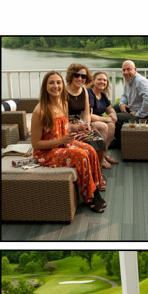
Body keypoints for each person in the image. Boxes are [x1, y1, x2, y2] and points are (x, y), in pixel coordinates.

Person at [31, 71, 106, 214]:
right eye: (51, 83)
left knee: (90, 150)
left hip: (63, 144)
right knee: (80, 155)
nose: (55, 86)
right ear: (45, 86)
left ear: (62, 85)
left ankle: (96, 187)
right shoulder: (40, 110)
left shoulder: (63, 104)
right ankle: (89, 196)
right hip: (46, 153)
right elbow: (35, 144)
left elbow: (65, 129)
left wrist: (74, 133)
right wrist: (62, 140)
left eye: (58, 82)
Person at [63, 64, 111, 171]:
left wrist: (87, 124)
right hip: (67, 126)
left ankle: (97, 172)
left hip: (81, 123)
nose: (80, 78)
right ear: (71, 76)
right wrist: (76, 127)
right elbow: (62, 119)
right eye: (77, 75)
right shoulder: (63, 92)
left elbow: (86, 113)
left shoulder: (84, 91)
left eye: (83, 76)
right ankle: (87, 172)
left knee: (100, 142)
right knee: (89, 144)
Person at [87, 70, 120, 165]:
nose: (102, 82)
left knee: (112, 125)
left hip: (98, 120)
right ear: (93, 81)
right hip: (87, 121)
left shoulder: (102, 95)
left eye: (105, 80)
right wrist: (106, 119)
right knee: (104, 126)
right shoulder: (89, 94)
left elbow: (109, 108)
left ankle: (104, 154)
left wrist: (113, 114)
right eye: (99, 79)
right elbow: (88, 115)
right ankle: (100, 158)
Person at [115, 60, 148, 125]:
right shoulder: (128, 79)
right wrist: (122, 103)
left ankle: (118, 131)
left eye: (128, 69)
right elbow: (124, 95)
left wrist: (138, 114)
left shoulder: (141, 82)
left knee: (115, 116)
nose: (125, 72)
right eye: (123, 70)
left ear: (135, 69)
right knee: (114, 108)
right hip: (135, 109)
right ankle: (120, 129)